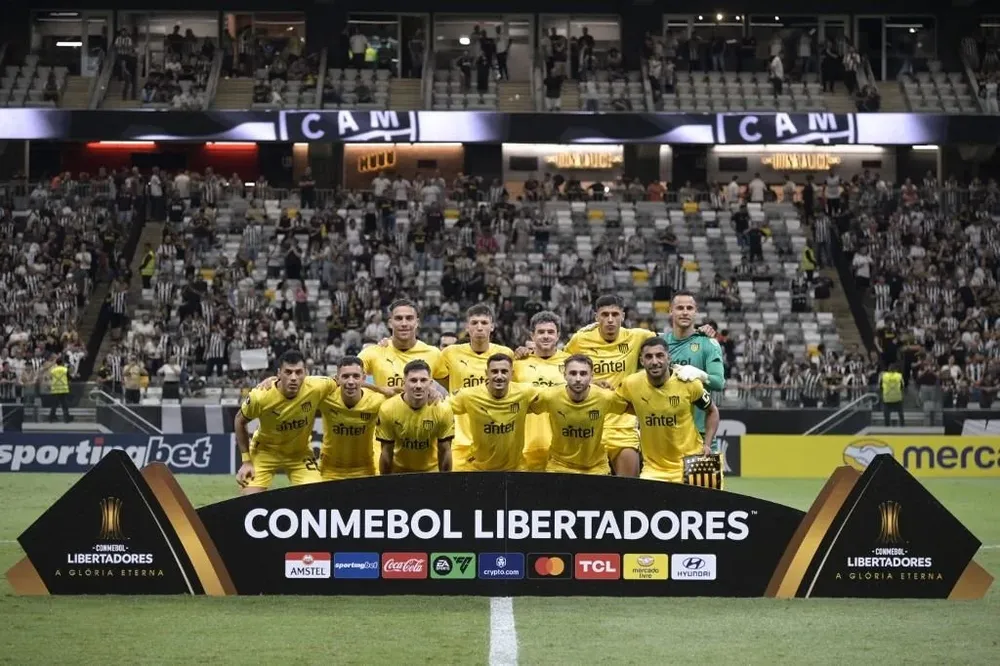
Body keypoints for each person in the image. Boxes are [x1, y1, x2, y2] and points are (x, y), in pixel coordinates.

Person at [564, 295, 656, 478]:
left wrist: (701, 331)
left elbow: (671, 340)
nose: (610, 319)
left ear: (623, 316)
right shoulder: (580, 339)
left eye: (615, 314)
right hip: (588, 425)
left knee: (628, 486)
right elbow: (559, 365)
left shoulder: (637, 336)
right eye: (605, 315)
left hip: (623, 424)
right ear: (596, 317)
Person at [617, 337, 720, 483]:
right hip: (654, 469)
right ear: (641, 361)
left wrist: (707, 444)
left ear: (668, 358)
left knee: (709, 498)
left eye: (660, 355)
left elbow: (712, 411)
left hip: (694, 461)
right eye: (648, 357)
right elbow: (615, 404)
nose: (654, 361)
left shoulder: (689, 383)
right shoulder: (631, 384)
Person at [234, 350, 335, 494]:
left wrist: (369, 386)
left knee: (316, 496)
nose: (293, 378)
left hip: (299, 453)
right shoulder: (261, 396)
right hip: (264, 451)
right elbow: (239, 420)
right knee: (249, 500)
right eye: (288, 372)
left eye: (298, 372)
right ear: (279, 373)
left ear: (306, 373)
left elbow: (346, 381)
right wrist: (246, 461)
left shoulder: (318, 386)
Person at [364, 299, 443, 470]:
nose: (404, 323)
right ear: (390, 323)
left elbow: (453, 387)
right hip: (383, 436)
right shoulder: (374, 352)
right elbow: (346, 379)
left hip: (423, 439)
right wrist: (379, 389)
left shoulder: (433, 353)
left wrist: (437, 392)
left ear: (417, 322)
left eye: (409, 318)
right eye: (399, 318)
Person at [434, 304, 514, 470]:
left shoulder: (506, 353)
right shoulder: (450, 353)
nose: (479, 327)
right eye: (474, 322)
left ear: (492, 326)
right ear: (467, 327)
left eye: (484, 323)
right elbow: (441, 378)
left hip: (494, 436)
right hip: (460, 439)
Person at [663, 291, 727, 480]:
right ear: (670, 311)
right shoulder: (659, 344)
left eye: (689, 308)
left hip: (700, 438)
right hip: (666, 435)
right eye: (680, 308)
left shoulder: (708, 343)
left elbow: (719, 382)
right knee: (664, 494)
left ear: (696, 312)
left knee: (704, 496)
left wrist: (699, 374)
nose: (685, 312)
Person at [531, 355, 629, 475]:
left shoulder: (605, 398)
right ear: (564, 375)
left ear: (591, 376)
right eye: (573, 373)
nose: (578, 379)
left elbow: (633, 408)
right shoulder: (550, 397)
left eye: (583, 374)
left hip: (596, 467)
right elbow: (523, 406)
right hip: (559, 465)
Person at [450, 354, 538, 471]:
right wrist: (432, 393)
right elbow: (440, 408)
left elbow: (552, 397)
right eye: (494, 371)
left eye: (504, 372)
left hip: (516, 469)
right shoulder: (468, 396)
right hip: (478, 468)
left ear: (512, 374)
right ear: (487, 373)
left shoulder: (525, 392)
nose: (499, 376)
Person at [512, 311, 570, 471]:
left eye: (550, 332)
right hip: (525, 445)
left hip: (562, 447)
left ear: (558, 335)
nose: (546, 336)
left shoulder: (570, 363)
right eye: (541, 332)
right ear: (532, 335)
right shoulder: (518, 364)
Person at [376, 360, 455, 474]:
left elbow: (445, 451)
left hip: (431, 473)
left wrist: (446, 481)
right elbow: (386, 452)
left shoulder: (442, 409)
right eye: (413, 380)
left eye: (423, 380)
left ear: (430, 383)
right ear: (404, 383)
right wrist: (385, 482)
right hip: (399, 473)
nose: (418, 385)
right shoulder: (388, 408)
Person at [316, 357, 387, 480]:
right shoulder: (326, 398)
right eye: (345, 376)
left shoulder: (376, 400)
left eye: (356, 376)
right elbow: (303, 387)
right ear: (337, 379)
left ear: (363, 378)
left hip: (364, 470)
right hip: (329, 471)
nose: (350, 381)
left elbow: (405, 396)